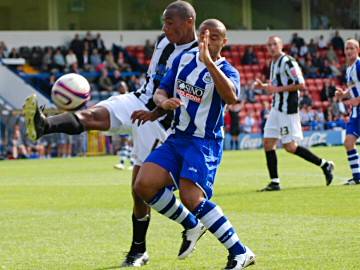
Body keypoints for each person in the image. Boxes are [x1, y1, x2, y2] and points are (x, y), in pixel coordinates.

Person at [23, 1, 201, 267]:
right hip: (139, 101)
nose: (165, 28)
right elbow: (153, 82)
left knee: (139, 190)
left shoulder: (199, 55)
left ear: (189, 21)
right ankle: (44, 125)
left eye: (170, 23)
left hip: (165, 122)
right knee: (93, 115)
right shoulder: (163, 42)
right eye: (163, 22)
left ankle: (173, 233)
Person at [133, 19, 255, 270]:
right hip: (177, 137)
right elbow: (162, 90)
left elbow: (231, 97)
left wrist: (209, 63)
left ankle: (240, 252)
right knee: (143, 185)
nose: (208, 42)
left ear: (225, 41)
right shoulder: (183, 59)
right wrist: (162, 104)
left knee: (191, 196)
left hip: (204, 142)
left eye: (215, 37)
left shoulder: (229, 70)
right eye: (204, 36)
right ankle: (191, 224)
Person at [254, 36, 334, 191]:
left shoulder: (288, 62)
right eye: (269, 45)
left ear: (281, 45)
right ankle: (275, 182)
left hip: (286, 110)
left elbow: (301, 84)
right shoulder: (274, 63)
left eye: (274, 44)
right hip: (276, 108)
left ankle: (325, 164)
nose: (271, 47)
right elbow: (277, 85)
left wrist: (276, 89)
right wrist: (264, 86)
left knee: (290, 147)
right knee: (268, 143)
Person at [335, 39, 360, 185]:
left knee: (349, 142)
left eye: (351, 48)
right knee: (348, 142)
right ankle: (357, 177)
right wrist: (343, 94)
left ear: (357, 49)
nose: (349, 51)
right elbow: (353, 89)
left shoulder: (359, 65)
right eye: (347, 48)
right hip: (356, 111)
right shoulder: (349, 68)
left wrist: (358, 99)